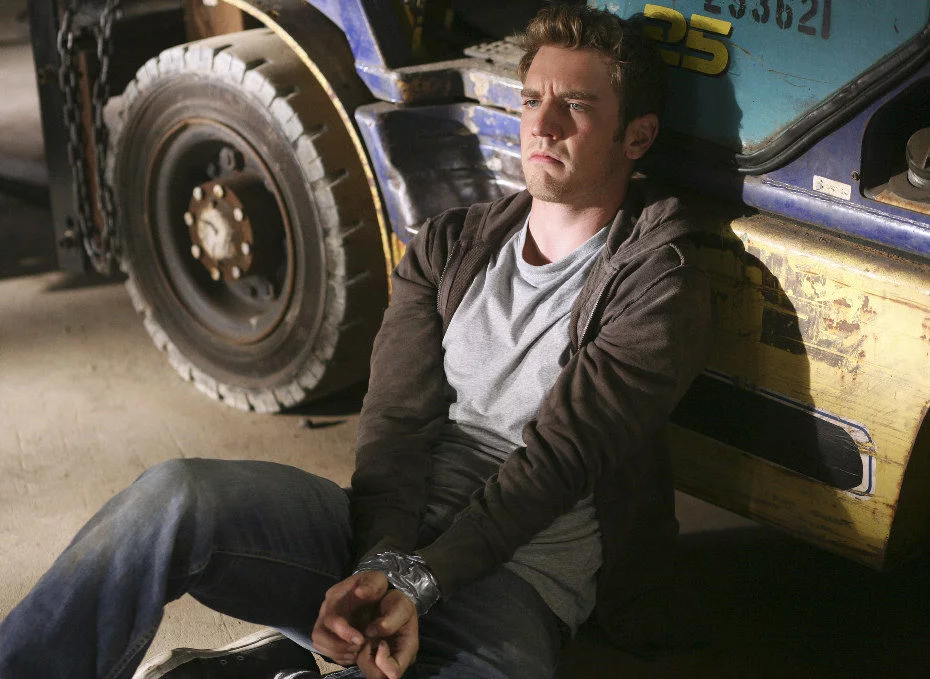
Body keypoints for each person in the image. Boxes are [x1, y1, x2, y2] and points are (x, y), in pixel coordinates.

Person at [0, 4, 713, 678]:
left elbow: (557, 461)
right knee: (173, 497)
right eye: (532, 100)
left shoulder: (658, 281)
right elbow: (397, 422)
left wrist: (420, 582)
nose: (544, 125)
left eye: (576, 106)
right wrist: (379, 568)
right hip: (385, 536)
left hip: (515, 577)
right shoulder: (449, 246)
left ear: (637, 137)